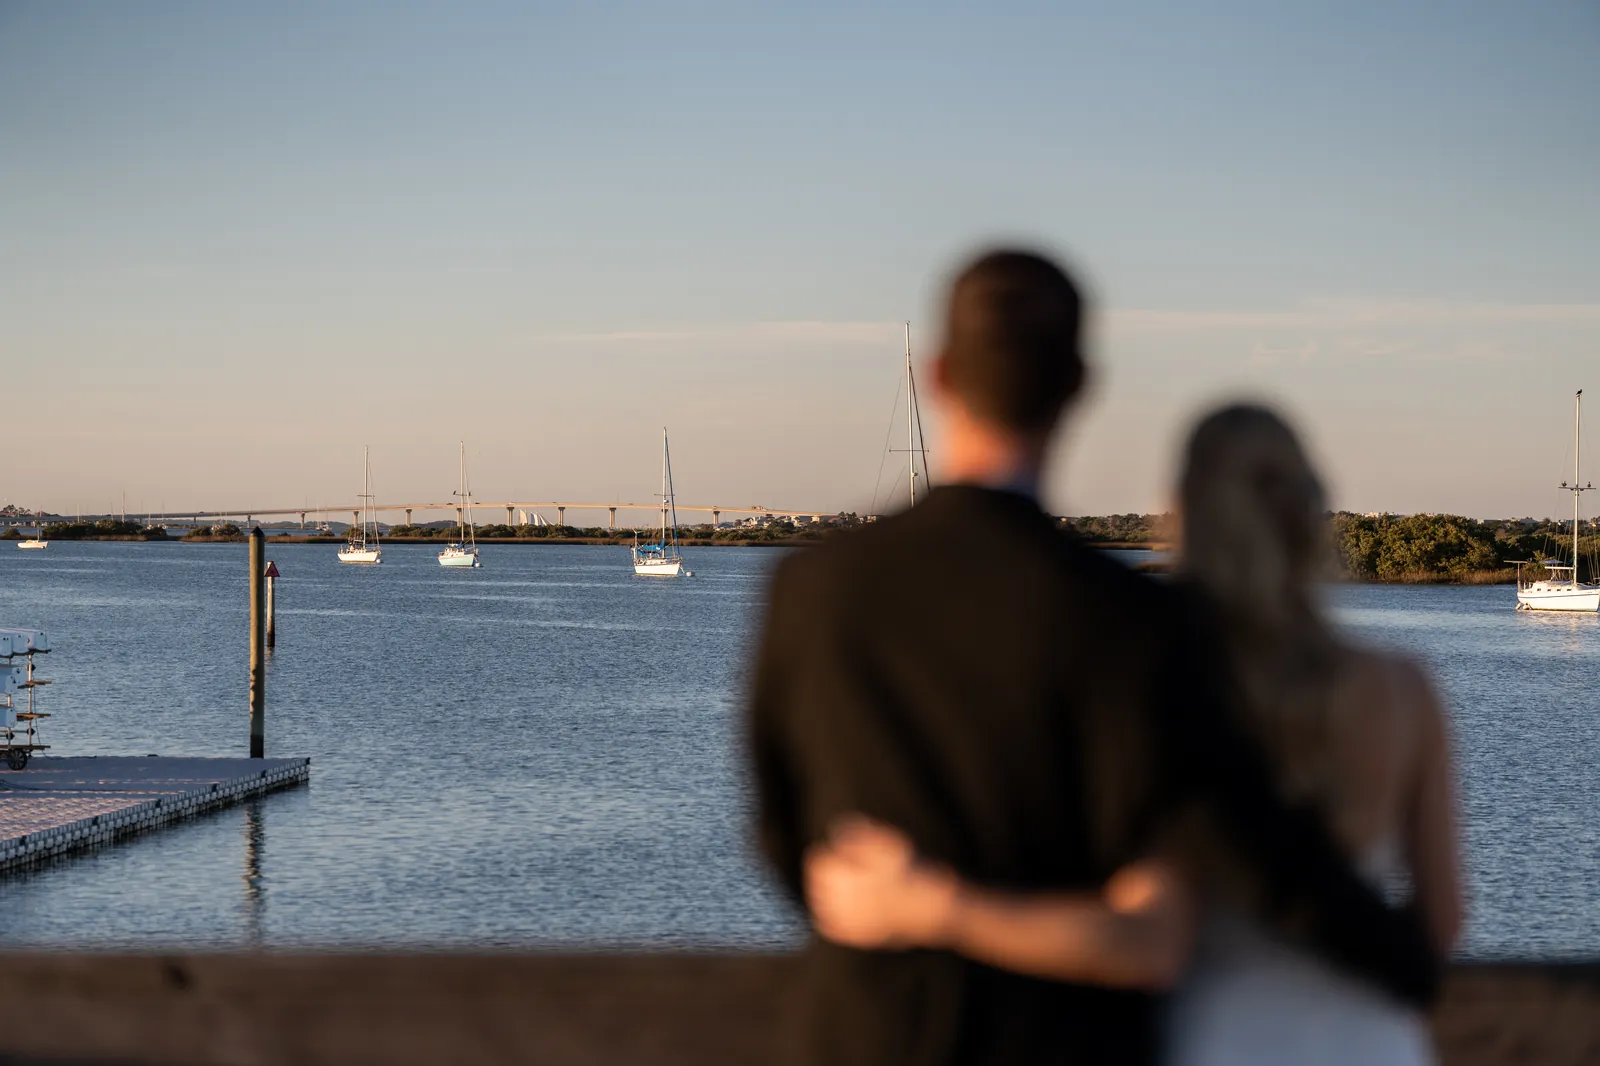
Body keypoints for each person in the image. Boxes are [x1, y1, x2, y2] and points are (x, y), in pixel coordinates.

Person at [745, 249, 1439, 1066]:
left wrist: (901, 911)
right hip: (1064, 1040)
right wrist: (1400, 956)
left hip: (865, 1036)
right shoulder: (1136, 623)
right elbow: (1247, 852)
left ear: (937, 374)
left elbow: (783, 834)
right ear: (1080, 384)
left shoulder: (813, 590)